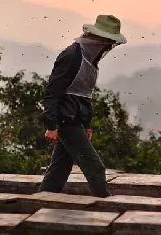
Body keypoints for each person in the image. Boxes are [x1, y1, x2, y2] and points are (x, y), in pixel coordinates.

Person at [39, 15, 127, 198]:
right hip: (65, 119)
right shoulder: (72, 56)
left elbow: (83, 95)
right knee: (95, 167)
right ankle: (106, 208)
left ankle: (42, 202)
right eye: (107, 41)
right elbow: (52, 92)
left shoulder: (90, 59)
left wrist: (86, 124)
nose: (108, 46)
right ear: (98, 38)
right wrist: (51, 125)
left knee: (59, 168)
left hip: (74, 120)